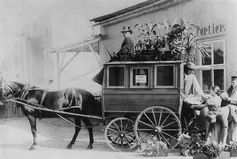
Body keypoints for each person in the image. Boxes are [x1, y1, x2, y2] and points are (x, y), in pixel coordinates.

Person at [180, 62, 206, 126]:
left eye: (192, 70)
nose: (191, 71)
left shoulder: (192, 77)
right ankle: (185, 124)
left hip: (186, 96)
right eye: (190, 70)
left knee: (199, 101)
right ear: (186, 69)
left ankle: (191, 124)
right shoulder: (181, 76)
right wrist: (183, 97)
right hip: (180, 96)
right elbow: (179, 89)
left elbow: (197, 87)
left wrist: (203, 96)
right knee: (188, 106)